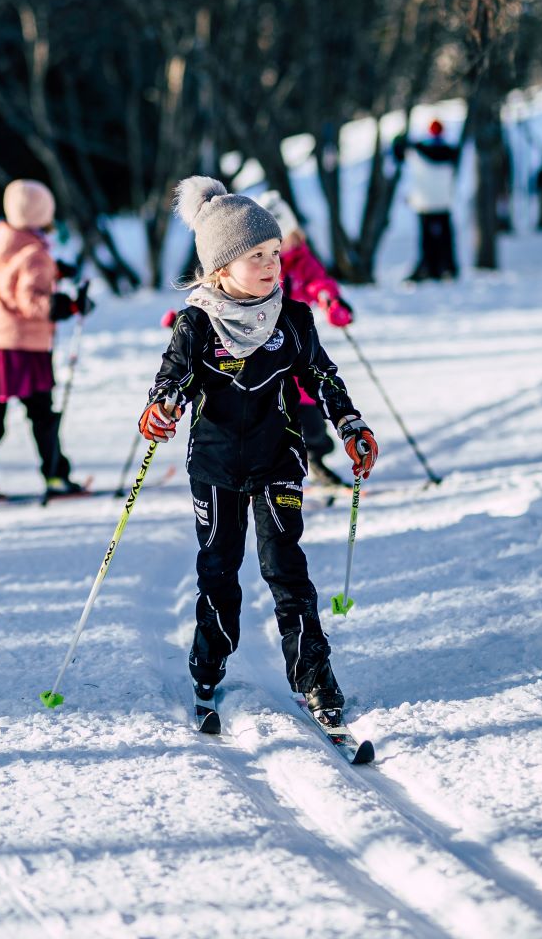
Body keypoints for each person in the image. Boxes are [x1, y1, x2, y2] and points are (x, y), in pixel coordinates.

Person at [139, 176, 377, 725]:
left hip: (278, 461)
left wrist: (350, 424)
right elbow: (170, 380)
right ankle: (208, 667)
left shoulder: (292, 319)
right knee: (219, 572)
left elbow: (322, 377)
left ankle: (314, 676)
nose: (273, 264)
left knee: (286, 570)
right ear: (221, 268)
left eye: (275, 252)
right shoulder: (197, 323)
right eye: (256, 256)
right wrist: (163, 406)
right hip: (216, 467)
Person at [0, 180, 90, 501]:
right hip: (24, 348)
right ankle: (55, 475)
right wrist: (67, 305)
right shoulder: (35, 253)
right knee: (42, 415)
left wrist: (56, 271)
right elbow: (29, 299)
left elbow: (14, 276)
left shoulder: (7, 241)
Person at [255, 191, 355, 493]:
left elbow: (318, 281)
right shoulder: (255, 266)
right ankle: (261, 474)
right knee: (266, 415)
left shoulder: (301, 260)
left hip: (297, 352)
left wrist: (331, 301)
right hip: (262, 353)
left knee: (310, 415)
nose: (289, 244)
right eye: (280, 240)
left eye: (292, 236)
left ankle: (315, 458)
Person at [406, 120, 461, 282]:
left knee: (426, 240)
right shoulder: (451, 152)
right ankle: (447, 267)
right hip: (444, 202)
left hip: (424, 203)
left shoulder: (418, 150)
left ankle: (428, 267)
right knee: (445, 238)